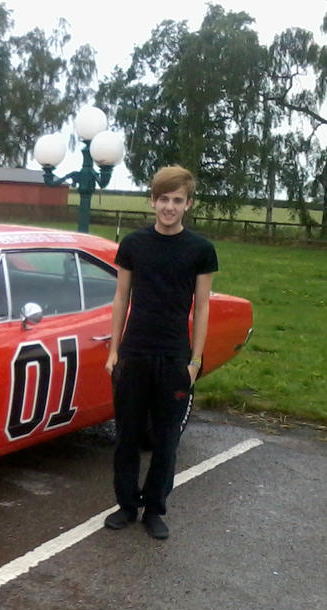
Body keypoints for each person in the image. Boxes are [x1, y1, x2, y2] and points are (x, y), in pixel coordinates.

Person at [103, 165, 218, 539]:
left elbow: (201, 308)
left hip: (174, 358)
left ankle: (155, 508)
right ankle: (126, 505)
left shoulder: (201, 250)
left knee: (166, 440)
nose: (169, 207)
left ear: (188, 204)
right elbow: (121, 298)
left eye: (177, 200)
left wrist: (195, 361)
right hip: (134, 354)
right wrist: (114, 351)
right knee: (128, 436)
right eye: (163, 199)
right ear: (152, 202)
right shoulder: (134, 245)